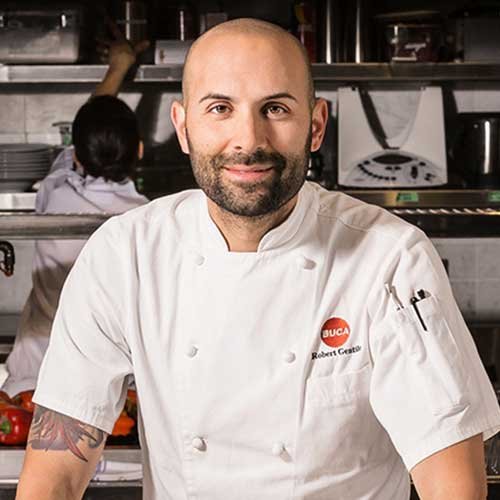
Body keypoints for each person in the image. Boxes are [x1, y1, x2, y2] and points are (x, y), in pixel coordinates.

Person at [16, 18, 500, 500]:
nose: (248, 140)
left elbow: (453, 486)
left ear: (315, 126)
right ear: (184, 128)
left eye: (275, 108)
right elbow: (53, 476)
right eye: (220, 108)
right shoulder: (125, 255)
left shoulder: (391, 259)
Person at [0, 25, 149, 398]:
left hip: (33, 383)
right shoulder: (147, 221)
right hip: (106, 394)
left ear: (77, 156)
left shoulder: (56, 191)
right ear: (140, 150)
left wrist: (117, 67)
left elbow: (86, 128)